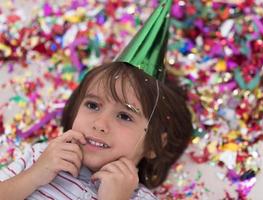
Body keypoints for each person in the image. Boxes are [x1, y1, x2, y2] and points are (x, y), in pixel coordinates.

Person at [0, 61, 193, 200]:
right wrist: (34, 175)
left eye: (125, 116)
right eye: (93, 105)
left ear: (155, 144)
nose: (100, 124)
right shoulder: (42, 156)